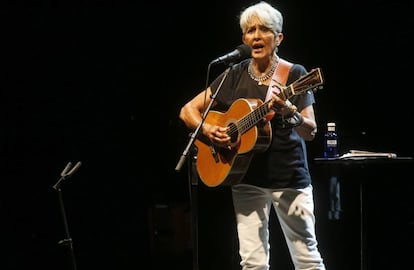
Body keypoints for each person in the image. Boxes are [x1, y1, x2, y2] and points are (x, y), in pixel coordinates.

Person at [179, 1, 326, 269]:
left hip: (289, 178)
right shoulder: (233, 74)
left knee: (307, 260)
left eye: (264, 29)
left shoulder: (294, 74)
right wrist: (210, 131)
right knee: (252, 263)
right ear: (244, 39)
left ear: (278, 37)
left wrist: (290, 111)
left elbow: (310, 131)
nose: (256, 36)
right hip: (246, 178)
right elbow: (188, 110)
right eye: (250, 30)